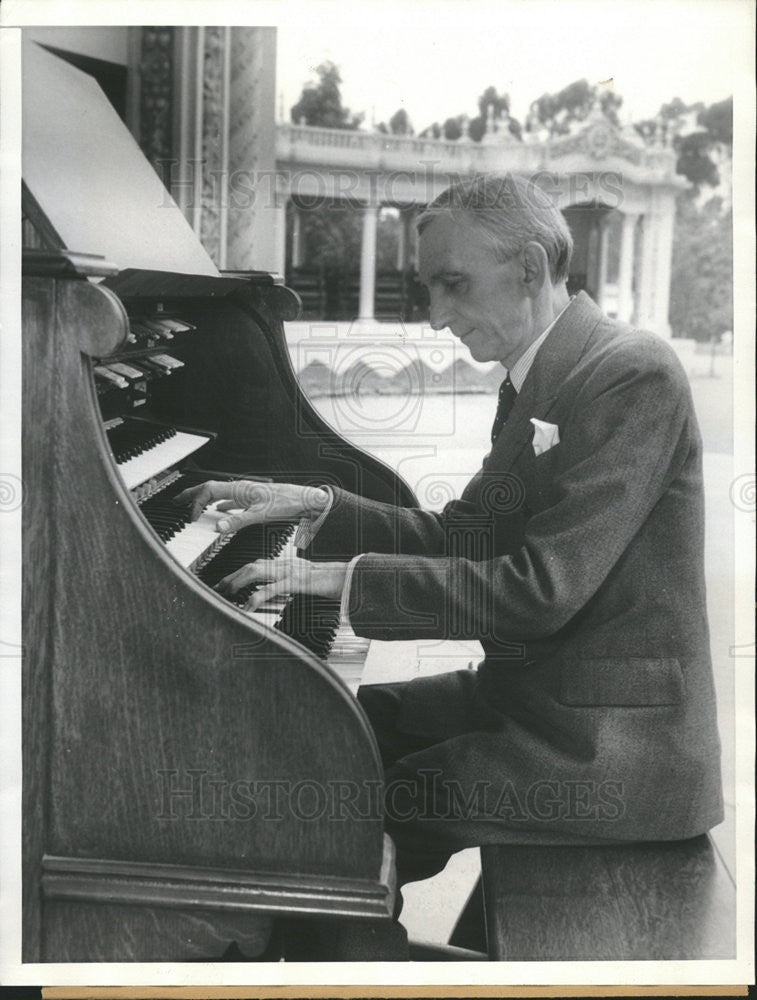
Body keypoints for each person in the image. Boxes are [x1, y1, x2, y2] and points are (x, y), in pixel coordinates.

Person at [177, 172, 723, 922]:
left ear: (529, 267)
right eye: (428, 288)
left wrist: (332, 580)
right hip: (537, 705)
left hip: (611, 749)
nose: (435, 317)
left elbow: (538, 590)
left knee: (338, 802)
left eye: (453, 285)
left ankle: (349, 965)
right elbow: (466, 536)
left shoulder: (630, 373)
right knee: (332, 728)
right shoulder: (542, 377)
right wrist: (315, 505)